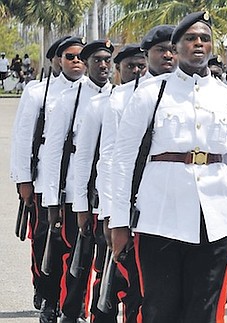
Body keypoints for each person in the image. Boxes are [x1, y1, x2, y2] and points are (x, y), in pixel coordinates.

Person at [110, 11, 227, 322]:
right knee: (159, 307)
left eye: (205, 38)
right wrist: (118, 221)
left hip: (215, 220)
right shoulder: (151, 94)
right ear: (175, 47)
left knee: (205, 310)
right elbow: (123, 160)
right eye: (190, 38)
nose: (199, 43)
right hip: (160, 217)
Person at [99, 26, 177, 323]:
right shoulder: (123, 98)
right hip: (136, 207)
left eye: (172, 49)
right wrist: (111, 214)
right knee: (135, 289)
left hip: (175, 207)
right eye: (160, 50)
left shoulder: (191, 94)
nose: (168, 55)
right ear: (148, 55)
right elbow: (110, 160)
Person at [9, 35, 84, 323]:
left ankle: (69, 303)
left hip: (80, 184)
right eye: (69, 56)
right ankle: (46, 293)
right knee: (45, 240)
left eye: (80, 56)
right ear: (56, 60)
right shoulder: (38, 92)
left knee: (77, 245)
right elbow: (23, 138)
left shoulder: (97, 93)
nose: (76, 61)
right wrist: (24, 180)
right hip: (45, 180)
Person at [71, 43, 146, 323]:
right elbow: (95, 161)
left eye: (141, 66)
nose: (137, 71)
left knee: (139, 284)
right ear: (118, 70)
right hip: (111, 205)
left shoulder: (157, 102)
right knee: (108, 277)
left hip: (147, 209)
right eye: (130, 66)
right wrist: (102, 210)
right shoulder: (102, 105)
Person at [43, 39, 115, 323]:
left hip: (108, 190)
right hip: (76, 189)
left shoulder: (120, 97)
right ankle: (70, 312)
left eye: (107, 60)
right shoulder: (68, 99)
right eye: (97, 60)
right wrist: (52, 201)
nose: (103, 65)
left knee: (106, 256)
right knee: (77, 256)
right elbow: (53, 152)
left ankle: (99, 311)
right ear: (86, 64)